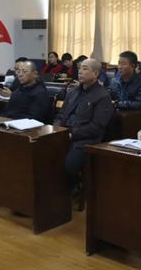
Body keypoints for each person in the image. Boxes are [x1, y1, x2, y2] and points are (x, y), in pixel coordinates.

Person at [54, 59, 114, 196]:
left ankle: (75, 185)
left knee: (69, 165)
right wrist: (56, 129)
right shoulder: (73, 92)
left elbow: (96, 127)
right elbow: (60, 115)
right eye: (80, 68)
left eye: (85, 69)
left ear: (95, 74)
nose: (80, 71)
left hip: (85, 139)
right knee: (42, 154)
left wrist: (72, 134)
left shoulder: (103, 96)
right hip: (63, 133)